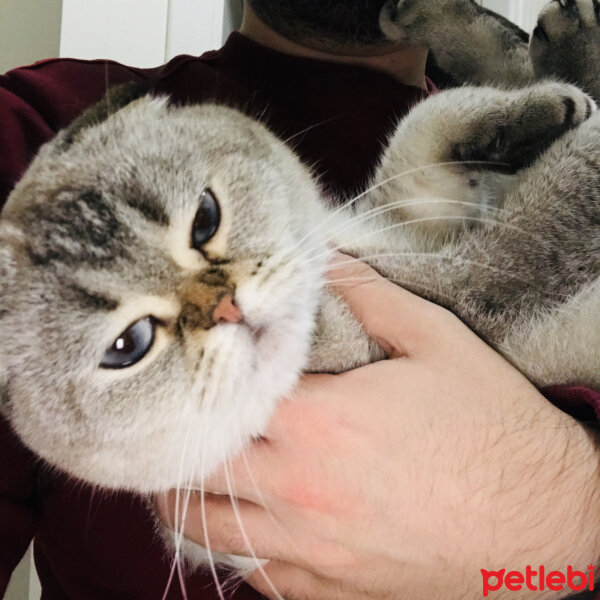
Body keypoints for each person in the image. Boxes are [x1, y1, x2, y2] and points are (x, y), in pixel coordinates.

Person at [0, 1, 598, 599]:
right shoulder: (29, 133)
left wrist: (570, 515)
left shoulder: (451, 138)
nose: (221, 308)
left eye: (204, 222)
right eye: (128, 341)